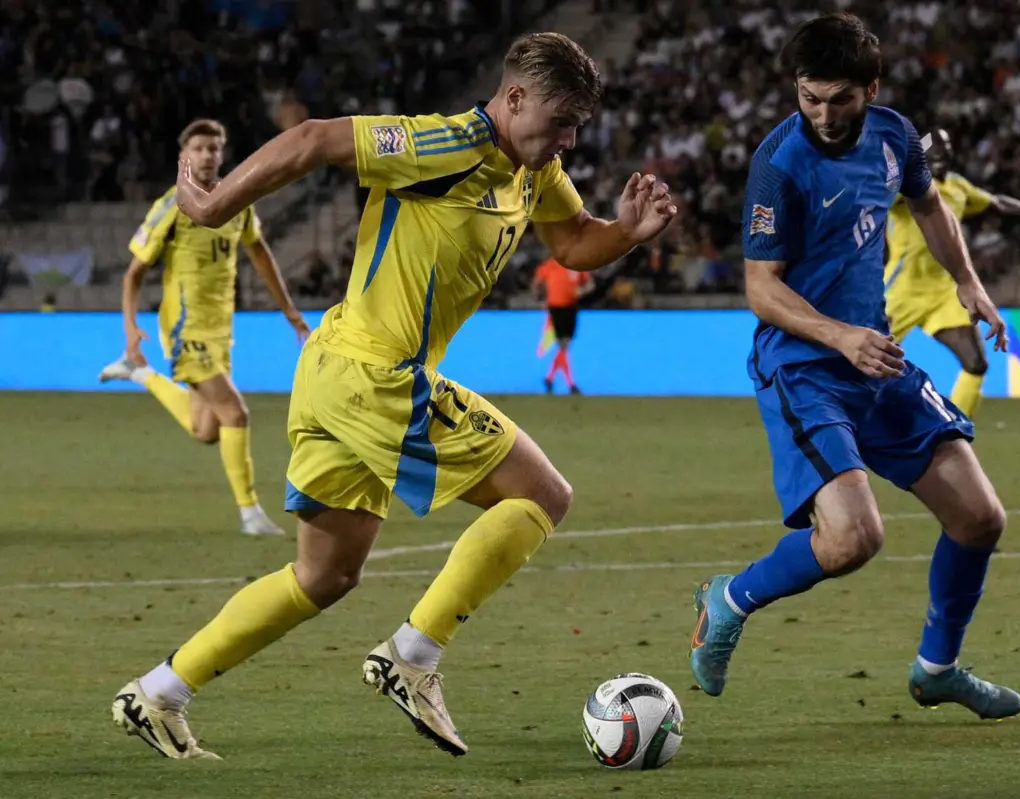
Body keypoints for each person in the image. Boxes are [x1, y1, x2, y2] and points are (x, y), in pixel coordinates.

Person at [111, 32, 676, 760]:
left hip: (333, 376)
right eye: (558, 120)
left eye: (577, 127)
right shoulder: (444, 143)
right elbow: (315, 139)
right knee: (544, 494)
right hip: (377, 374)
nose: (566, 138)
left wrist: (626, 232)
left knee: (324, 575)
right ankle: (413, 655)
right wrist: (217, 203)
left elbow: (571, 242)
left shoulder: (535, 168)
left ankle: (157, 692)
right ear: (513, 98)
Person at [689, 12, 1020, 721]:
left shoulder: (896, 135)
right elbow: (760, 287)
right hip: (805, 365)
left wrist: (966, 279)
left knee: (980, 517)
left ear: (870, 88)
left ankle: (938, 668)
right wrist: (840, 337)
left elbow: (930, 207)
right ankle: (730, 597)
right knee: (853, 539)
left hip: (876, 357)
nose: (823, 113)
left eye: (839, 98)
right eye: (809, 97)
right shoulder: (779, 164)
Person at [99, 119, 309, 536]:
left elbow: (260, 252)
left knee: (206, 429)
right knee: (235, 413)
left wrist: (290, 311)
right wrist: (130, 327)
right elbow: (133, 274)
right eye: (199, 148)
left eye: (215, 148)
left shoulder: (237, 201)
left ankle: (137, 372)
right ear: (185, 157)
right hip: (185, 327)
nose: (208, 155)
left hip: (220, 328)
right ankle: (250, 513)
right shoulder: (171, 206)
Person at [884, 128, 1020, 418]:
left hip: (945, 291)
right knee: (865, 364)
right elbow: (877, 199)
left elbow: (996, 202)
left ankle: (954, 430)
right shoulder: (907, 187)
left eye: (945, 149)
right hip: (900, 291)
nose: (942, 156)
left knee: (976, 364)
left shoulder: (958, 186)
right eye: (936, 152)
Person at [533, 254, 592, 393]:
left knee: (564, 345)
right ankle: (571, 384)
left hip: (571, 308)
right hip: (556, 308)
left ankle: (549, 379)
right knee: (563, 344)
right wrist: (540, 299)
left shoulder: (577, 265)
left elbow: (589, 284)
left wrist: (582, 291)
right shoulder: (551, 264)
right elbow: (537, 282)